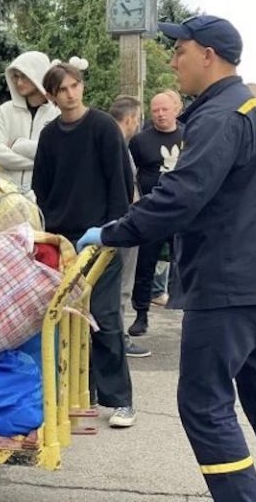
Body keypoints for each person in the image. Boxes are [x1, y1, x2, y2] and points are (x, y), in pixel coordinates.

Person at [77, 15, 256, 502]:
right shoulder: (254, 112)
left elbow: (181, 197)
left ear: (209, 55)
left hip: (228, 284)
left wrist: (113, 233)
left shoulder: (220, 116)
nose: (174, 60)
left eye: (181, 51)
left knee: (204, 404)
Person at [31, 63, 137, 428]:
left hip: (102, 237)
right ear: (52, 96)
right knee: (67, 318)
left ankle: (120, 400)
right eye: (62, 89)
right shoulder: (49, 136)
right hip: (63, 240)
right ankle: (80, 393)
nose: (71, 93)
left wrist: (113, 230)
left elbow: (120, 182)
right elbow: (41, 188)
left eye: (75, 85)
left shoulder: (103, 127)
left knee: (105, 318)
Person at [126, 90, 184, 336]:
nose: (160, 114)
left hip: (183, 211)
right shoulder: (140, 141)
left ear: (176, 110)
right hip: (152, 211)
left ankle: (189, 310)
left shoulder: (189, 136)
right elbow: (130, 172)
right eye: (156, 110)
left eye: (165, 109)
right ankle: (141, 314)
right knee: (145, 263)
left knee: (186, 262)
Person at [108, 95, 151, 359]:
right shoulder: (117, 144)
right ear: (132, 119)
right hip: (122, 224)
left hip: (113, 223)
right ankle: (119, 338)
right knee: (122, 285)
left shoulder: (108, 140)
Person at [0, 51, 60, 192]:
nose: (19, 82)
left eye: (24, 76)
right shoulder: (5, 111)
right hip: (8, 197)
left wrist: (18, 146)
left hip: (46, 198)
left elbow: (60, 153)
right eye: (16, 77)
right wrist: (40, 161)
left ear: (38, 75)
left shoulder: (58, 112)